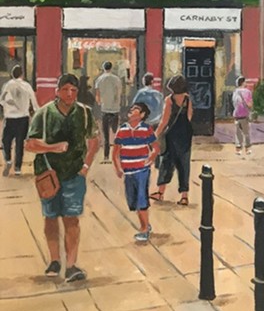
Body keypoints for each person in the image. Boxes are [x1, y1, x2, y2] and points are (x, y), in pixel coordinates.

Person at [25, 73, 99, 282]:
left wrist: (85, 167)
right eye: (65, 90)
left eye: (73, 90)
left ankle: (71, 265)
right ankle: (54, 260)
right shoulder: (44, 114)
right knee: (51, 218)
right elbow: (30, 144)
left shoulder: (84, 113)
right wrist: (53, 147)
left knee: (71, 219)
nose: (69, 94)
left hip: (74, 174)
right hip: (48, 175)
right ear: (57, 91)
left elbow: (94, 141)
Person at [113, 102, 159, 242]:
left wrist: (150, 158)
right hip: (128, 171)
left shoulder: (146, 129)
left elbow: (155, 148)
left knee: (141, 199)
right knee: (132, 200)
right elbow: (116, 152)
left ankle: (144, 229)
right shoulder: (122, 129)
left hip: (142, 170)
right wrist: (118, 168)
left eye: (136, 110)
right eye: (131, 109)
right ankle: (146, 224)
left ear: (142, 115)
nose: (132, 111)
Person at [151, 75, 193, 206]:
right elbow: (189, 116)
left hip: (172, 134)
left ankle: (160, 192)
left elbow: (164, 121)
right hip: (185, 134)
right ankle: (184, 196)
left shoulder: (169, 100)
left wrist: (155, 134)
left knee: (167, 162)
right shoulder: (187, 99)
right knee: (184, 164)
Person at [1, 65, 39, 176]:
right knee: (19, 143)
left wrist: (8, 106)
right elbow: (34, 103)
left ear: (12, 74)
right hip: (23, 118)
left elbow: (1, 100)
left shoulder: (8, 85)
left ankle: (8, 160)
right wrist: (37, 113)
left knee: (6, 141)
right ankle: (17, 168)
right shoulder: (27, 86)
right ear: (22, 74)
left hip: (10, 118)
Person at [95, 61, 122, 162]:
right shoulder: (116, 79)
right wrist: (117, 102)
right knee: (116, 133)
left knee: (105, 134)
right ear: (111, 68)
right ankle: (117, 154)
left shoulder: (99, 79)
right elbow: (119, 93)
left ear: (103, 68)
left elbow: (97, 95)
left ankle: (106, 156)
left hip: (104, 109)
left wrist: (100, 102)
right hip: (115, 109)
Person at [232, 76, 253, 156]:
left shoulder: (235, 92)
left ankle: (238, 149)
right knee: (246, 133)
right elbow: (250, 104)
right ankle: (247, 149)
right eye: (245, 82)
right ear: (243, 83)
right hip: (245, 114)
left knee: (238, 133)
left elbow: (234, 102)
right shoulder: (248, 92)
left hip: (237, 115)